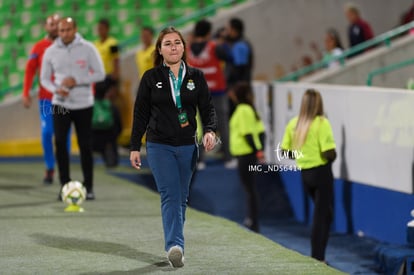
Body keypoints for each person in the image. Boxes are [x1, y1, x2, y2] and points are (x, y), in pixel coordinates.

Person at [129, 26, 217, 268]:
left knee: (181, 198)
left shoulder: (196, 77)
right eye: (167, 43)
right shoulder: (150, 78)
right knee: (170, 194)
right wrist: (135, 146)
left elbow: (207, 108)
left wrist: (210, 130)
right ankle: (175, 246)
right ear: (159, 49)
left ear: (183, 47)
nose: (173, 47)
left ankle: (175, 244)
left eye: (177, 42)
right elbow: (140, 114)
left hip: (188, 146)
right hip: (159, 145)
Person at [41, 17, 105, 200]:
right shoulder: (50, 51)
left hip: (84, 104)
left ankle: (89, 187)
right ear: (58, 32)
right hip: (61, 104)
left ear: (75, 29)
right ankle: (64, 185)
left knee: (85, 145)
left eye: (68, 30)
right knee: (60, 142)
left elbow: (100, 74)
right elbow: (44, 79)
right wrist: (56, 89)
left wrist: (78, 81)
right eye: (62, 30)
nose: (65, 33)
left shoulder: (88, 48)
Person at [281, 89, 337, 262]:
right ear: (319, 103)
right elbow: (329, 153)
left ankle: (319, 256)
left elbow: (285, 152)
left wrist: (303, 155)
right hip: (322, 173)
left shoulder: (294, 124)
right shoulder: (322, 123)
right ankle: (317, 258)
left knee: (325, 215)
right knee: (321, 217)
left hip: (306, 175)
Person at [22, 14, 62, 184]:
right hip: (46, 100)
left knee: (63, 136)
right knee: (47, 133)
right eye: (51, 24)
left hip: (64, 100)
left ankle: (63, 168)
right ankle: (49, 167)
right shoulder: (39, 47)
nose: (54, 27)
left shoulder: (68, 46)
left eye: (57, 24)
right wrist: (25, 92)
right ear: (46, 27)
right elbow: (30, 70)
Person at [187, 19, 232, 167]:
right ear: (208, 33)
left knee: (199, 126)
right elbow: (231, 58)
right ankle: (228, 158)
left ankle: (200, 160)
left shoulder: (187, 49)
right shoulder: (215, 47)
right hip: (217, 91)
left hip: (197, 92)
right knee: (223, 124)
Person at [229, 82, 265, 232]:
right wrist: (260, 150)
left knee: (249, 188)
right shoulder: (249, 109)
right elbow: (261, 132)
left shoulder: (243, 110)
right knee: (250, 188)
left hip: (246, 154)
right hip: (248, 154)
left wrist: (257, 151)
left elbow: (248, 134)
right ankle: (252, 219)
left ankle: (253, 221)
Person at [92, 78, 122, 168]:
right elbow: (119, 126)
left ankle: (87, 157)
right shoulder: (112, 107)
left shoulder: (89, 107)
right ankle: (111, 157)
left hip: (91, 140)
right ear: (107, 92)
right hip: (108, 141)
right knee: (112, 163)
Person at [225, 17, 253, 88]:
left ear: (234, 30)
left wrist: (233, 87)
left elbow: (240, 68)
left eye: (228, 28)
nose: (226, 31)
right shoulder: (233, 42)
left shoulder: (240, 45)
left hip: (238, 87)